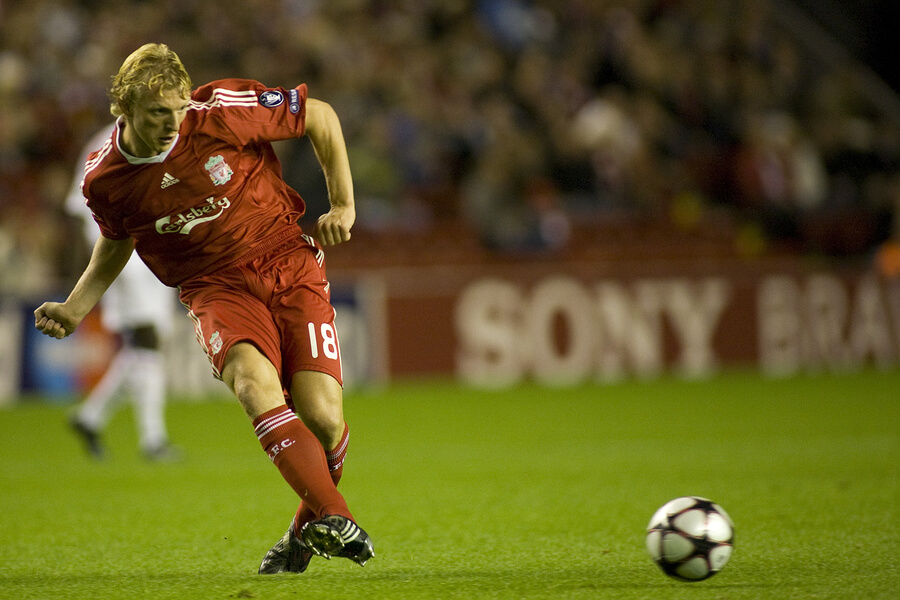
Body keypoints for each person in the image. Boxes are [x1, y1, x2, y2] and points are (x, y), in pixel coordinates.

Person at [34, 43, 373, 573]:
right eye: (156, 114)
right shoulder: (105, 181)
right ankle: (337, 514)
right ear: (122, 110)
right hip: (214, 287)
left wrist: (344, 204)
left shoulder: (219, 113)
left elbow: (320, 116)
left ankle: (299, 540)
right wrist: (78, 306)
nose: (172, 123)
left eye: (177, 108)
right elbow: (117, 239)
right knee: (250, 383)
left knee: (326, 421)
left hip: (287, 261)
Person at [66, 123, 180, 462]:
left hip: (154, 250)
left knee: (150, 340)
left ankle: (90, 416)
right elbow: (79, 207)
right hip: (119, 253)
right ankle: (153, 439)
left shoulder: (166, 133)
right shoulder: (103, 140)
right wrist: (90, 269)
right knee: (147, 338)